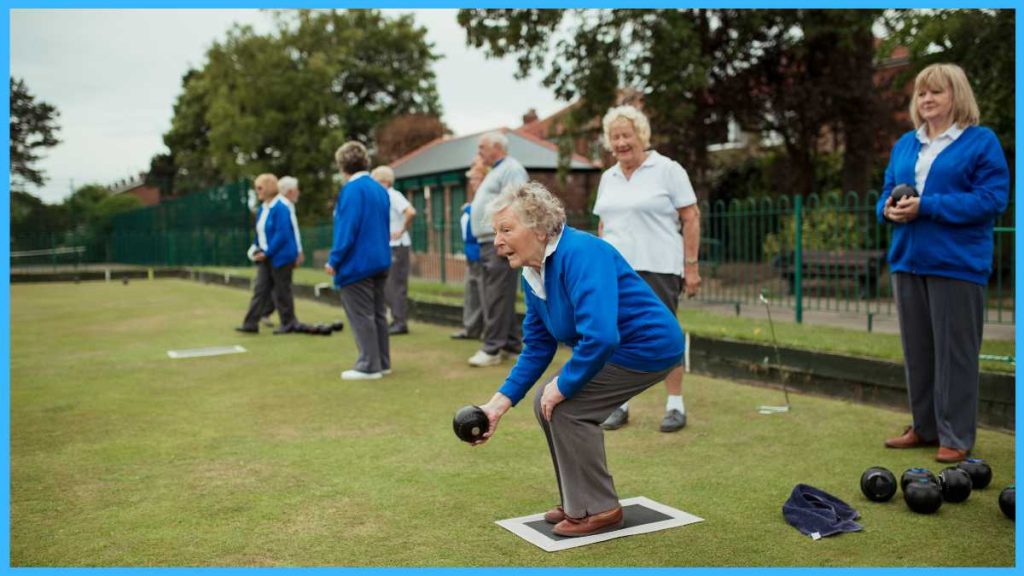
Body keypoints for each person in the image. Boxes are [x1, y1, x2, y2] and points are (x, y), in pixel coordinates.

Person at [472, 181, 684, 537]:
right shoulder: (533, 271)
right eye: (496, 232)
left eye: (506, 230)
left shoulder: (581, 252)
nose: (497, 241)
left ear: (539, 228)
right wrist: (497, 406)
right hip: (615, 347)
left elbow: (601, 336)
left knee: (567, 407)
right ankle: (577, 499)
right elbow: (538, 346)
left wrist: (565, 385)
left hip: (649, 347)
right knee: (546, 400)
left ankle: (598, 509)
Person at [878, 63, 1009, 463]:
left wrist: (927, 207)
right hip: (907, 262)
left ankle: (956, 435)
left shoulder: (980, 142)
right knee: (918, 351)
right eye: (921, 94)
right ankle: (925, 427)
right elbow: (885, 190)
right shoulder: (905, 144)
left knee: (955, 354)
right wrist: (888, 210)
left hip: (956, 263)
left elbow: (991, 199)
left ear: (957, 96)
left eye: (936, 92)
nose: (927, 99)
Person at [591, 105, 702, 433]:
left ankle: (675, 405)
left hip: (658, 267)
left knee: (664, 333)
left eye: (626, 135)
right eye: (615, 137)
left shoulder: (667, 169)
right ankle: (620, 404)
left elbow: (691, 216)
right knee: (616, 335)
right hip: (616, 269)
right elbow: (603, 224)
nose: (621, 143)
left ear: (641, 135)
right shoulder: (607, 177)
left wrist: (691, 266)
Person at [325, 142, 392, 380]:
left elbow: (347, 229)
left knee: (362, 314)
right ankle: (382, 362)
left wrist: (334, 259)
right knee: (377, 314)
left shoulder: (351, 191)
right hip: (381, 260)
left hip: (357, 263)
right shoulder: (379, 189)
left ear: (342, 165)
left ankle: (368, 365)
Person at [467, 131, 527, 367]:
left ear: (497, 147)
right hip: (487, 241)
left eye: (482, 147)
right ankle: (511, 344)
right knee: (497, 294)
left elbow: (518, 204)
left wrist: (508, 240)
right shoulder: (497, 170)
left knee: (496, 294)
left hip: (498, 242)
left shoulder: (511, 169)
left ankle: (491, 348)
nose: (479, 152)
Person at [236, 173, 300, 334]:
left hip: (281, 257)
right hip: (266, 256)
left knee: (282, 291)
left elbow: (283, 233)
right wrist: (254, 249)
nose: (257, 191)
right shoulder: (262, 209)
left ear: (269, 187)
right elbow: (260, 234)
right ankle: (250, 324)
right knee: (260, 289)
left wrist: (268, 251)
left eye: (260, 188)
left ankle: (288, 323)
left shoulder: (281, 207)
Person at [370, 165, 416, 336]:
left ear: (384, 181)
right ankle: (396, 319)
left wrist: (401, 229)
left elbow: (410, 212)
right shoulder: (384, 196)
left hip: (398, 246)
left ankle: (400, 322)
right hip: (391, 246)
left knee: (396, 285)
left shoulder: (393, 195)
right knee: (390, 285)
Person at [258, 175, 305, 326]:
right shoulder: (281, 206)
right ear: (290, 191)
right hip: (279, 255)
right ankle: (284, 319)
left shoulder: (283, 206)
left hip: (280, 255)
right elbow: (285, 233)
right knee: (280, 287)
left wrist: (298, 250)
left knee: (279, 287)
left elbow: (292, 231)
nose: (298, 193)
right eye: (296, 190)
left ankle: (281, 318)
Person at [451, 155, 487, 340]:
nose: (472, 182)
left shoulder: (486, 197)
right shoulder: (475, 200)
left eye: (475, 178)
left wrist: (469, 209)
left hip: (483, 252)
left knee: (485, 294)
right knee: (471, 294)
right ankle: (471, 329)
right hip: (471, 254)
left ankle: (489, 333)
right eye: (471, 179)